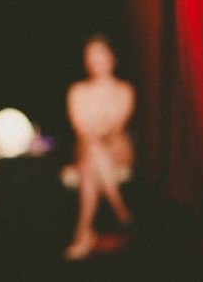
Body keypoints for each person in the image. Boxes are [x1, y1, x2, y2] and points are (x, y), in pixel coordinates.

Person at [63, 34, 135, 260]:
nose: (96, 60)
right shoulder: (77, 91)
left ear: (112, 58)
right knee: (91, 154)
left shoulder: (124, 90)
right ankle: (119, 208)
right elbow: (81, 129)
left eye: (100, 55)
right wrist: (95, 131)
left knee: (89, 163)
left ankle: (82, 235)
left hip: (116, 150)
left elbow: (114, 128)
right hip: (86, 149)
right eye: (91, 56)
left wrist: (97, 130)